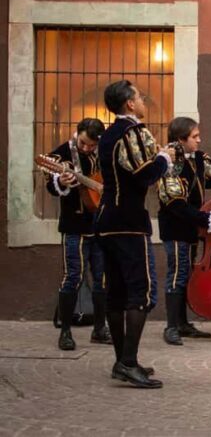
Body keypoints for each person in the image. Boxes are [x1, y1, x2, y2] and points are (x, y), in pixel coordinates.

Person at [95, 80, 173, 389]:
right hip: (128, 221)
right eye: (139, 97)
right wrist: (164, 158)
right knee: (140, 292)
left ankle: (122, 361)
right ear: (129, 104)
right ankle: (127, 362)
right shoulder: (133, 132)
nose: (142, 101)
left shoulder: (107, 135)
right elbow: (144, 175)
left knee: (115, 292)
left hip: (105, 220)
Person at [157, 117, 211, 345]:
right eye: (195, 137)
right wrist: (208, 218)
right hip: (176, 228)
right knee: (177, 275)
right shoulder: (170, 162)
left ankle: (183, 323)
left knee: (186, 275)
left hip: (192, 228)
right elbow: (175, 203)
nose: (199, 140)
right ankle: (171, 327)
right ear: (181, 139)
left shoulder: (198, 157)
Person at [46, 118, 112, 350]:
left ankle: (100, 329)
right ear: (77, 134)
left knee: (102, 280)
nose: (86, 149)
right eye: (83, 143)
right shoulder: (62, 153)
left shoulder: (103, 152)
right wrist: (60, 180)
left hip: (100, 227)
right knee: (73, 278)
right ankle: (65, 332)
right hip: (75, 227)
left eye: (91, 145)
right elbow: (50, 185)